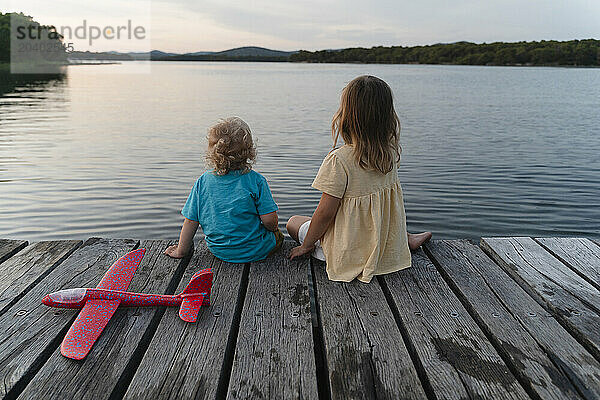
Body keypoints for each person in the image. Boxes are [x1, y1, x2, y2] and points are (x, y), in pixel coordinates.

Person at [287, 75, 431, 283]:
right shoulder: (389, 153)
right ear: (387, 116)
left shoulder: (340, 160)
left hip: (349, 252)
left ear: (347, 115)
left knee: (293, 222)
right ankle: (405, 239)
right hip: (385, 245)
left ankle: (404, 239)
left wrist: (306, 246)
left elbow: (325, 213)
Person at [165, 117, 283, 262]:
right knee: (277, 236)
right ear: (249, 151)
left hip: (219, 251)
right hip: (256, 250)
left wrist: (181, 251)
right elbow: (270, 221)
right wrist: (273, 229)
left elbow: (191, 221)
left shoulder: (203, 181)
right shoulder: (257, 181)